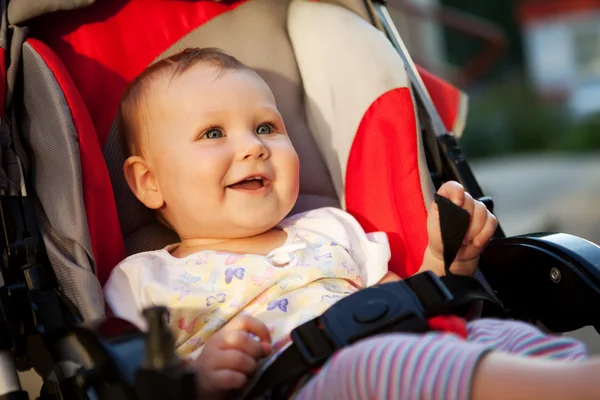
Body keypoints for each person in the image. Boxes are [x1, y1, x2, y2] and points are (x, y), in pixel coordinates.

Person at [104, 47, 595, 400]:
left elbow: (406, 301)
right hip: (297, 382)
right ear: (148, 182)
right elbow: (137, 378)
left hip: (405, 352)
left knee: (498, 337)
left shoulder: (331, 227)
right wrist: (199, 381)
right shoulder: (145, 278)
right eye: (212, 133)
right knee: (383, 362)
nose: (254, 147)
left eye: (266, 128)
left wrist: (448, 261)